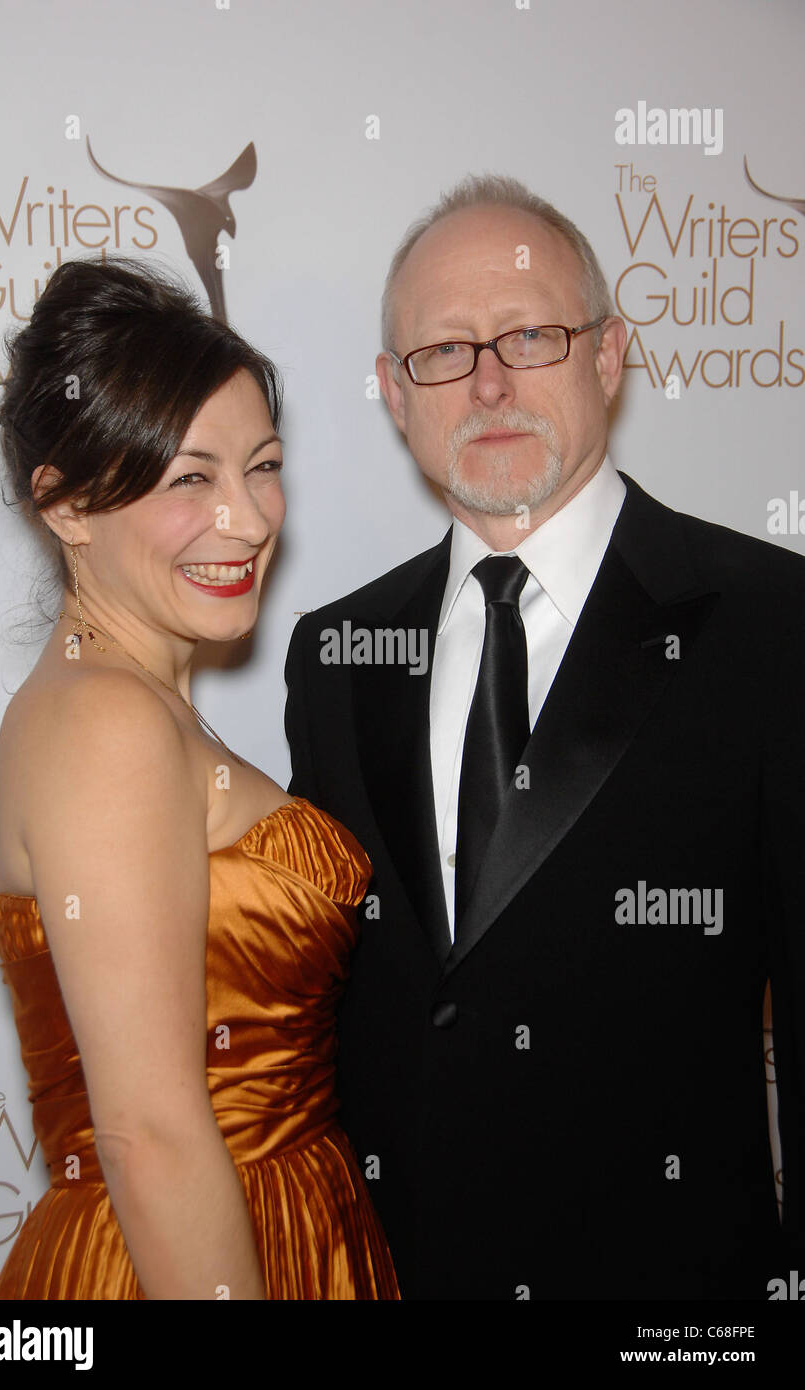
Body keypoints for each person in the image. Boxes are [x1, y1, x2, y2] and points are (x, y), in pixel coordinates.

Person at [283, 174, 805, 1300]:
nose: (487, 381)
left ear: (607, 356)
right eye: (442, 352)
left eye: (529, 334)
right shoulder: (336, 654)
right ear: (392, 392)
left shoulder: (770, 624)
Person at [0, 257, 399, 1300]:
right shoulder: (107, 722)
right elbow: (152, 1135)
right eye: (191, 479)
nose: (250, 520)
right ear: (68, 506)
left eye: (260, 465)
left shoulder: (128, 702)